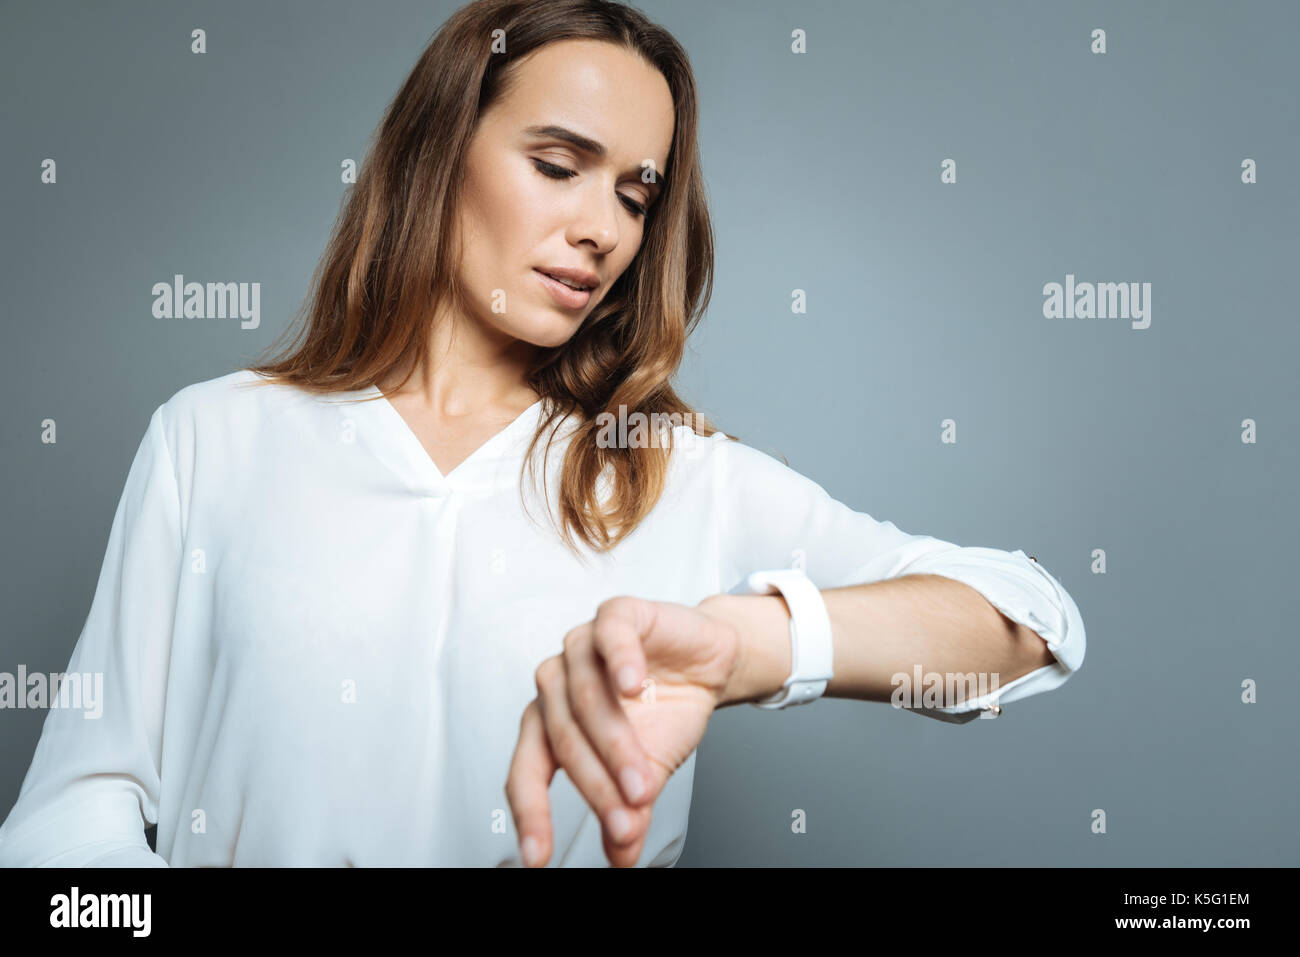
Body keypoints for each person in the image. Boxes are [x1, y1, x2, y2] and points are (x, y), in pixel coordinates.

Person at [0, 0, 1085, 868]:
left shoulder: (671, 476)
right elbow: (75, 809)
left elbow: (1031, 624)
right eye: (558, 165)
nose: (602, 229)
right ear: (439, 153)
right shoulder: (215, 440)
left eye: (636, 193)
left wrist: (750, 649)